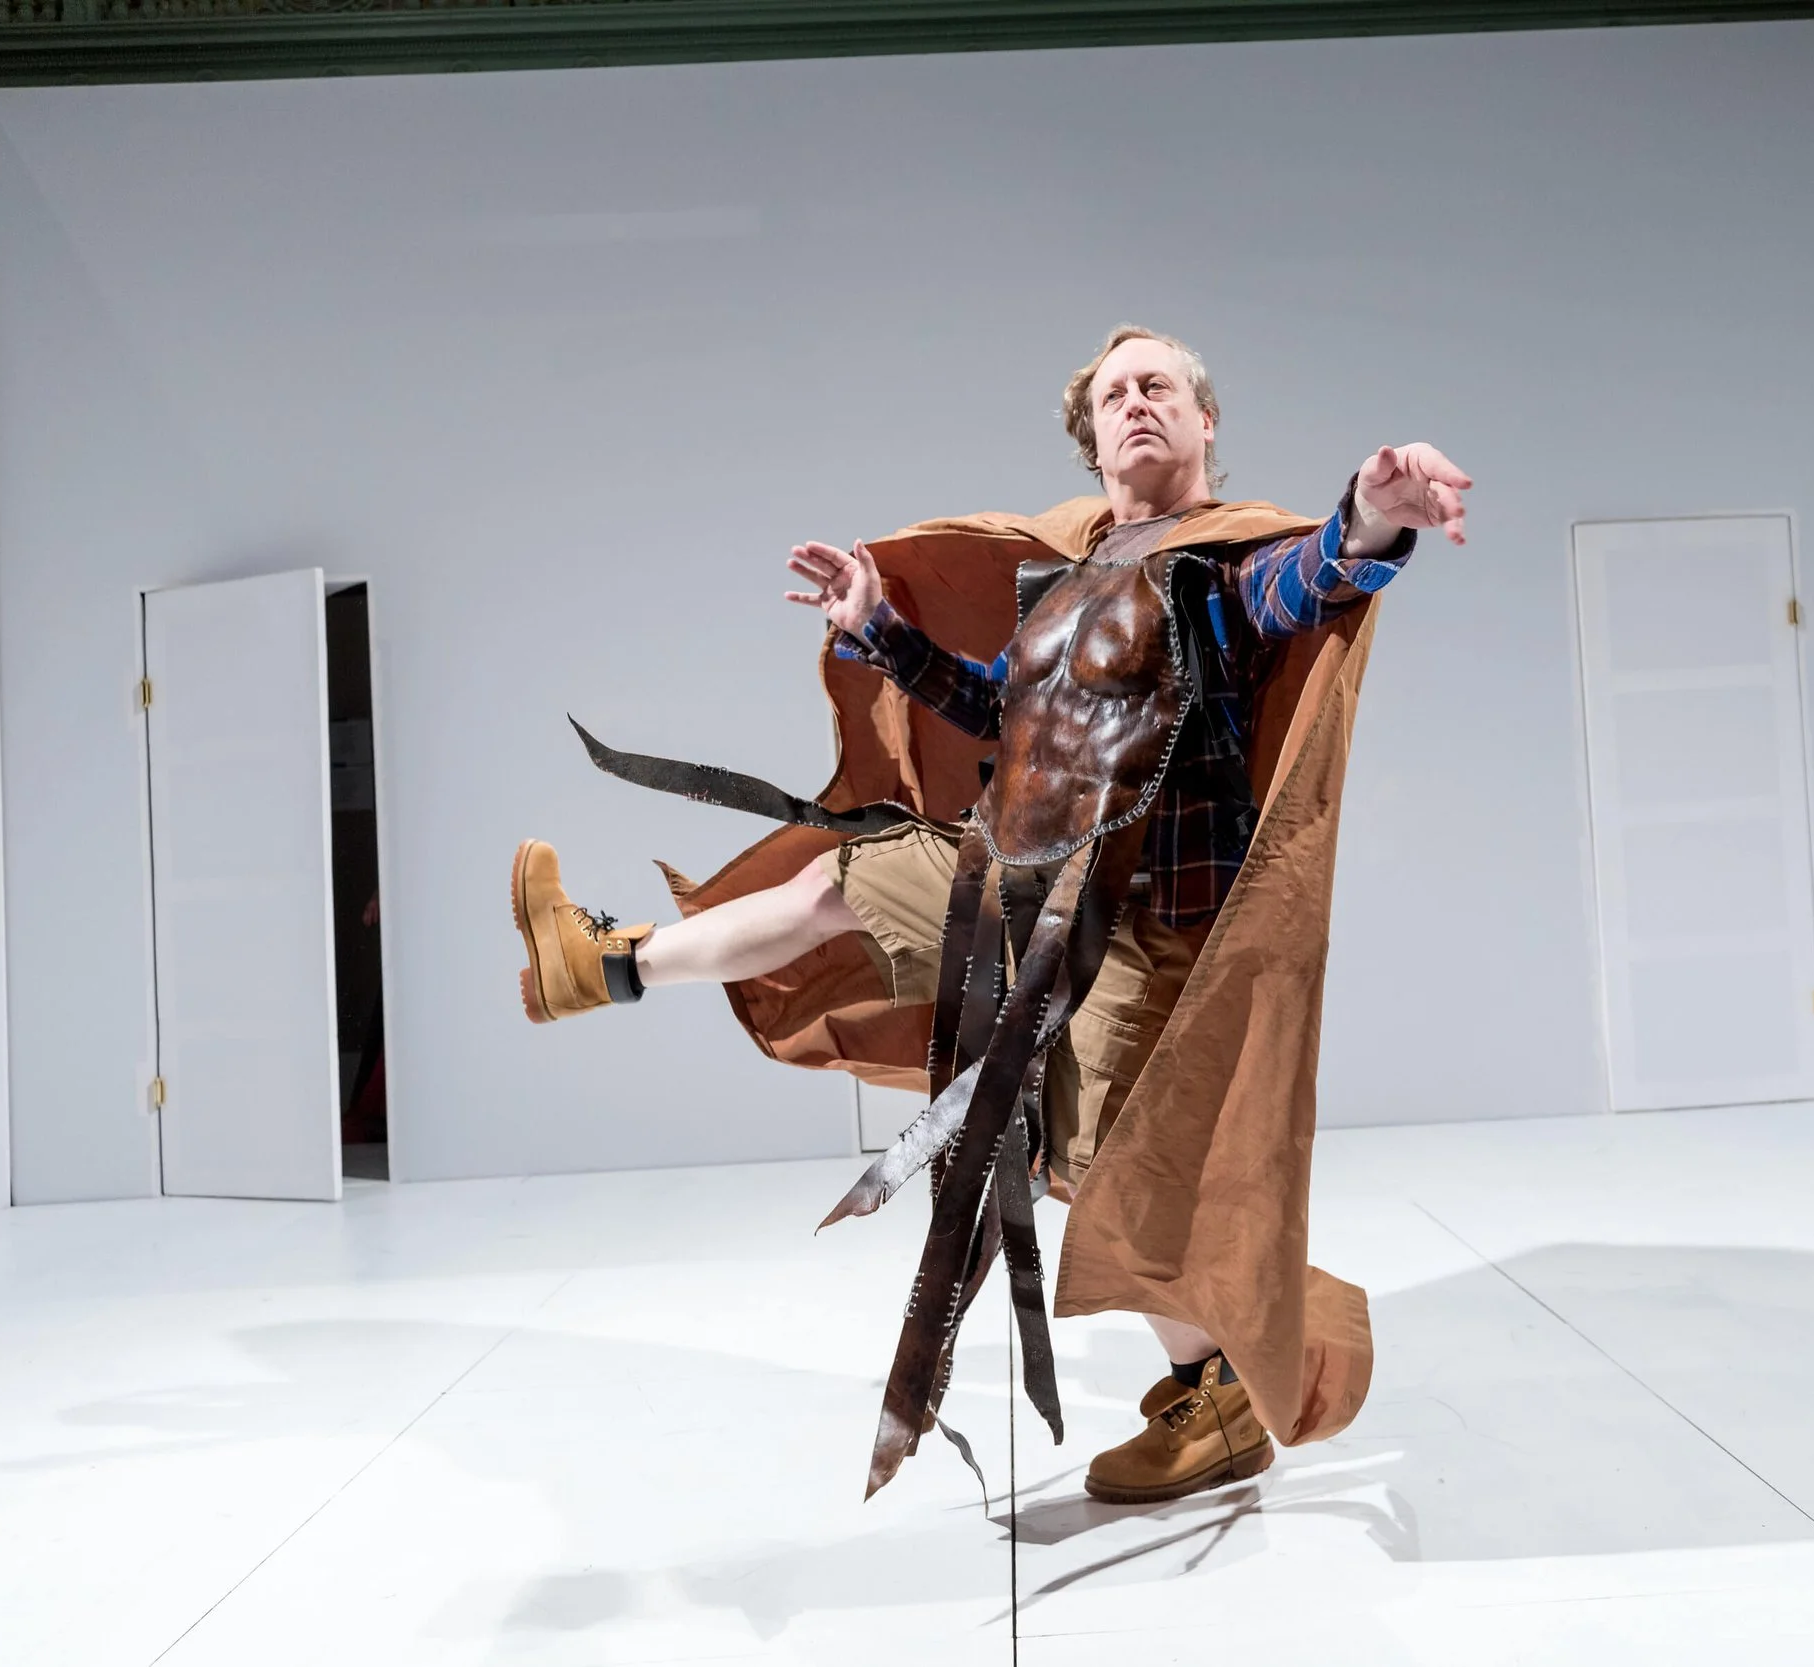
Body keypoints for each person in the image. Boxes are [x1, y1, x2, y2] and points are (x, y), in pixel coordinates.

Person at [512, 324, 1468, 1503]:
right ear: (1091, 435)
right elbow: (1006, 718)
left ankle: (1222, 1389)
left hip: (1142, 917)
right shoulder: (1071, 576)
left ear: (1204, 418)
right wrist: (882, 633)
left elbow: (1304, 579)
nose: (1137, 403)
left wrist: (1372, 520)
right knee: (837, 878)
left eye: (1159, 384)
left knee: (1114, 1174)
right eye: (1115, 392)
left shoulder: (1217, 567)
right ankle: (601, 964)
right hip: (1018, 873)